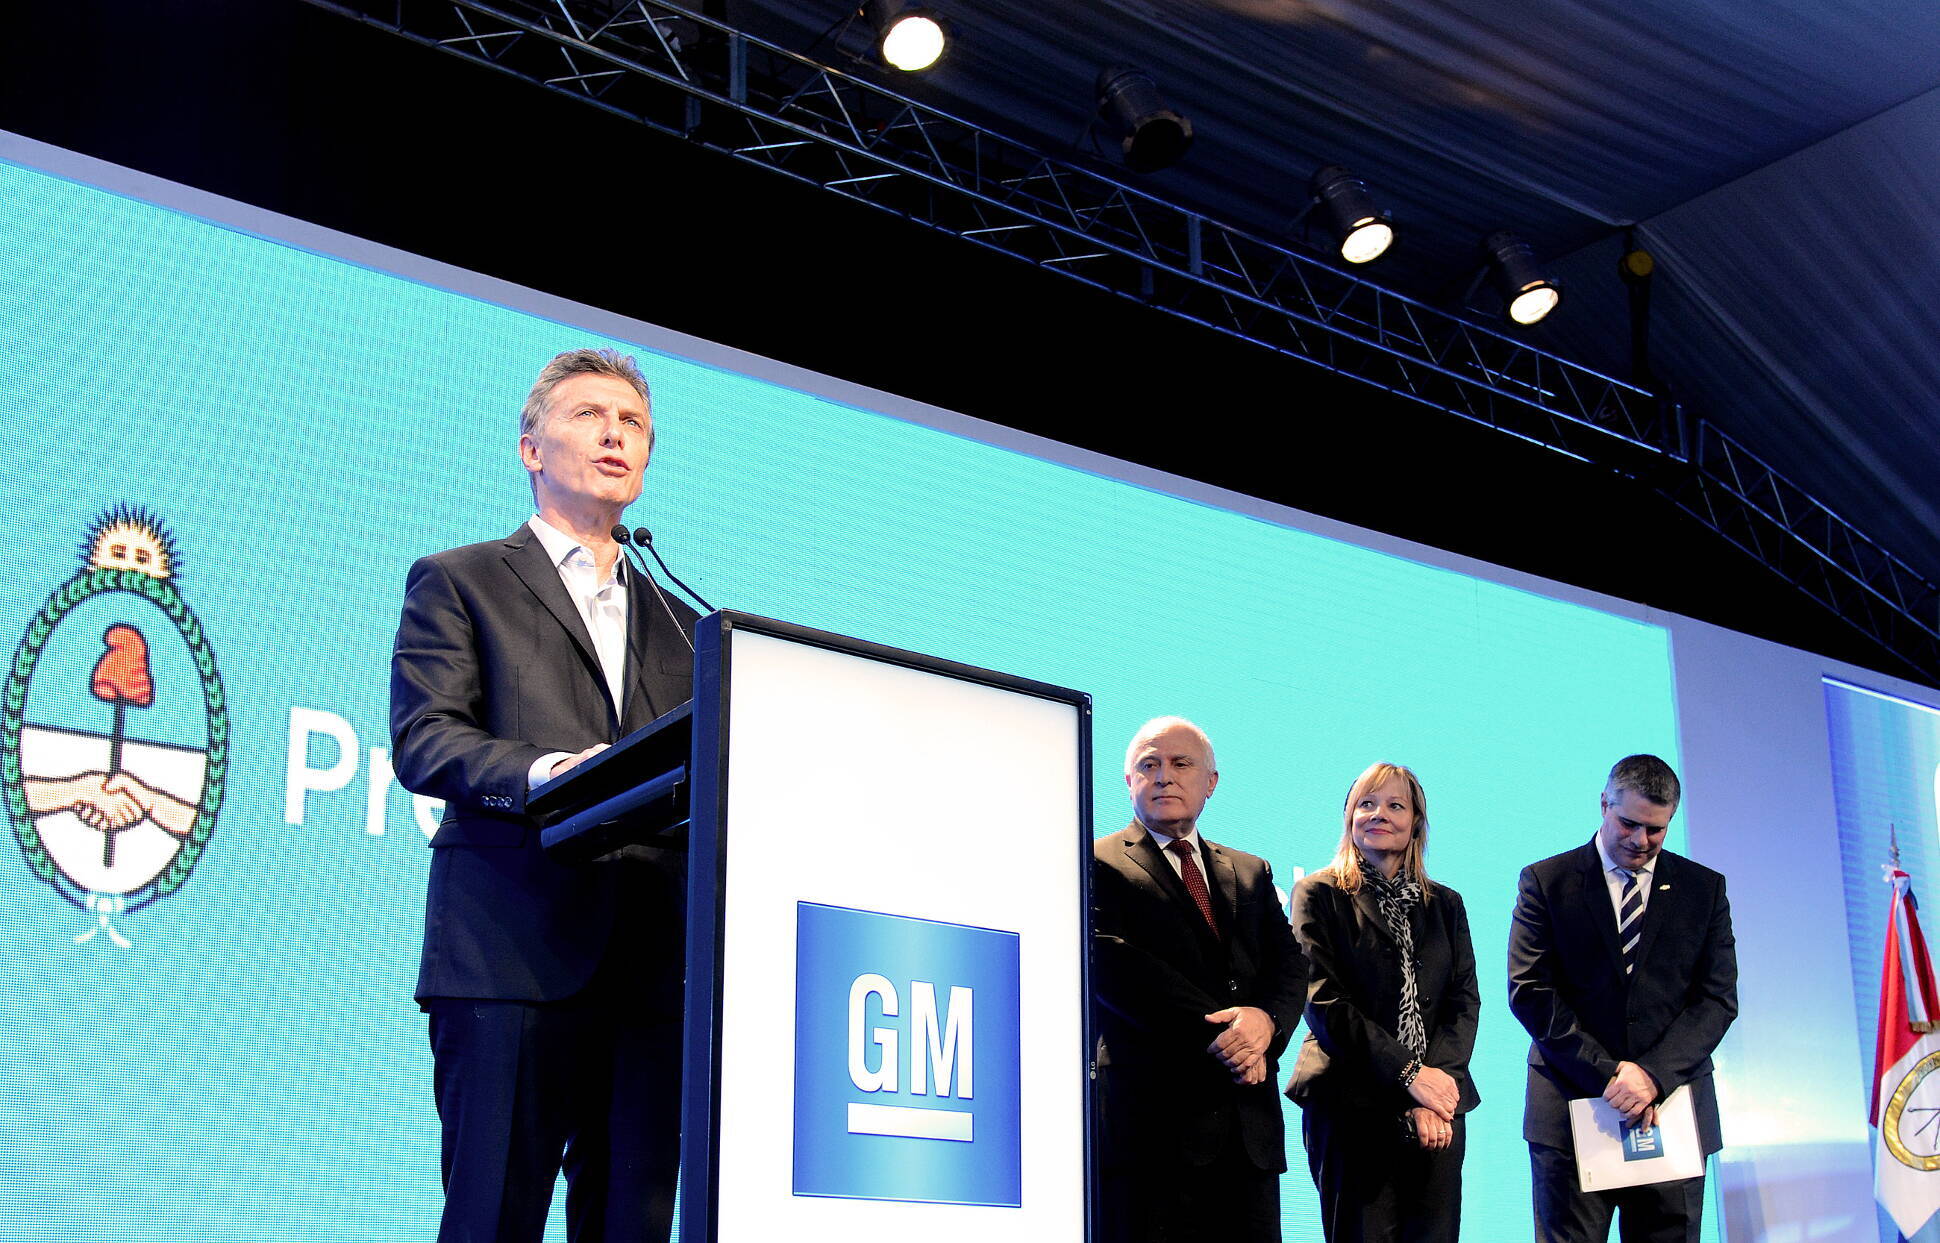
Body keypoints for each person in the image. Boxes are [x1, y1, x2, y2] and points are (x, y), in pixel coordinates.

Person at [390, 347, 699, 1243]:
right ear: (530, 447)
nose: (615, 433)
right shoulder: (461, 580)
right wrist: (541, 773)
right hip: (509, 955)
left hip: (649, 969)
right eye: (588, 415)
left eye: (633, 422)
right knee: (494, 1219)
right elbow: (426, 737)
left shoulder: (688, 623)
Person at [1091, 716, 1308, 1243]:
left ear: (1210, 782)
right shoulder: (1095, 861)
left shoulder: (1251, 871)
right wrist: (1228, 1035)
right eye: (1150, 764)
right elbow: (1115, 965)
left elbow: (1290, 965)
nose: (1165, 776)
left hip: (1246, 1133)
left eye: (1181, 763)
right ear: (1129, 782)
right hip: (1152, 1132)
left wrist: (1266, 1024)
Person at [1508, 754, 1737, 1243]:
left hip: (1670, 1111)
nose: (1640, 840)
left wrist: (1651, 1076)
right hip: (1572, 1111)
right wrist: (1612, 1075)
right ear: (1604, 805)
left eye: (1656, 830)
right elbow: (1531, 991)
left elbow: (1716, 1000)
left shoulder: (1704, 889)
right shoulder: (1547, 882)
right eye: (1628, 823)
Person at [1285, 762, 1479, 1243]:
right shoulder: (1319, 894)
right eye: (1366, 804)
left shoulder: (1446, 903)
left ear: (1416, 821)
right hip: (1351, 1105)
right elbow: (1324, 1000)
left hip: (1440, 1111)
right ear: (1349, 817)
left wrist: (1438, 1090)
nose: (1379, 814)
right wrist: (1411, 1079)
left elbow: (1463, 1001)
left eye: (1396, 805)